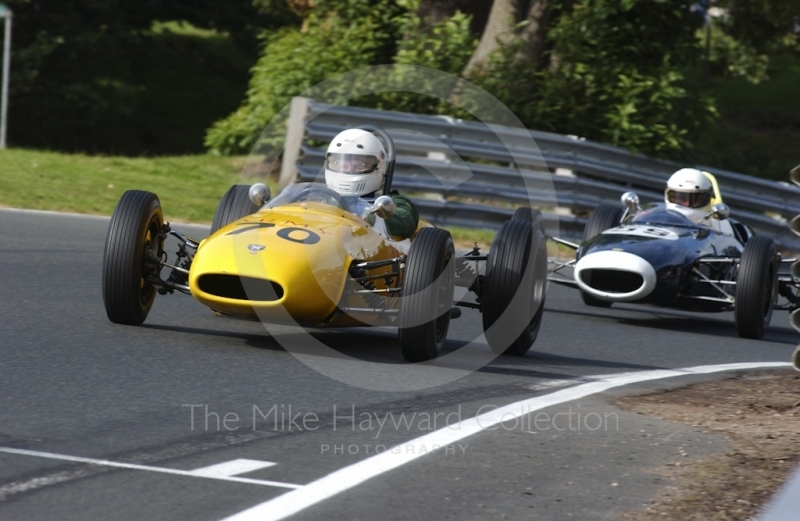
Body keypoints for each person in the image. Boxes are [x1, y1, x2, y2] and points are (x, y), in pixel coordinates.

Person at [324, 128, 419, 239]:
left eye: (358, 165)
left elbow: (406, 219)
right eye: (341, 164)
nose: (349, 169)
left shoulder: (389, 204)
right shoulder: (319, 197)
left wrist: (372, 219)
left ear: (379, 167)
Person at [664, 168, 733, 235]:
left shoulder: (719, 226)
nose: (687, 203)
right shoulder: (659, 218)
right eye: (681, 198)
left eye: (695, 199)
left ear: (707, 199)